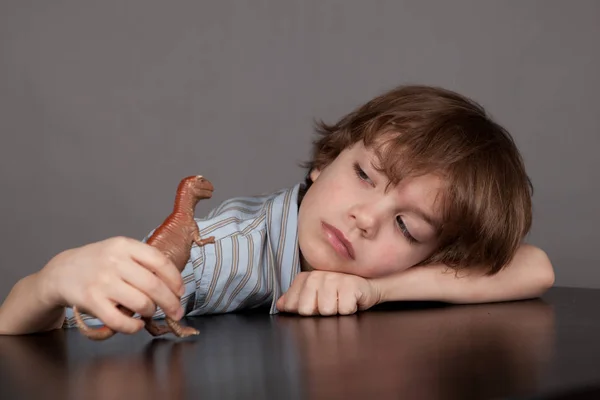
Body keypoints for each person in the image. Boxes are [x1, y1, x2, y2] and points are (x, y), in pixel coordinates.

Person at [0, 84, 555, 336]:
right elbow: (33, 336)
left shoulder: (380, 274)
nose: (366, 217)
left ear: (433, 254)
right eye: (364, 174)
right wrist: (48, 285)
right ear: (325, 160)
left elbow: (535, 267)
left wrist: (376, 289)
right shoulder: (226, 253)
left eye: (407, 226)